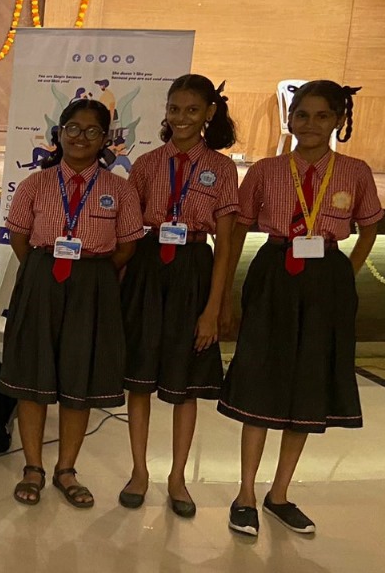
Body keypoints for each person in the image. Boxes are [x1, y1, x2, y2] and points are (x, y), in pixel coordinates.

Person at [218, 81, 380, 537]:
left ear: (338, 121)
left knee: (309, 380)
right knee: (260, 377)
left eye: (322, 116)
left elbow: (368, 227)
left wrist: (345, 271)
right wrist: (226, 291)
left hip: (326, 277)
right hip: (274, 272)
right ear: (290, 119)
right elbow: (238, 230)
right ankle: (245, 494)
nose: (310, 124)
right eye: (302, 115)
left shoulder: (355, 172)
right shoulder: (266, 170)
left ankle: (280, 494)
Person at [0, 99, 143, 509]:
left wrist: (91, 275)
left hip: (93, 284)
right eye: (73, 128)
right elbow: (20, 238)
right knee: (34, 376)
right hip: (42, 278)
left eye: (92, 131)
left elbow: (127, 246)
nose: (81, 137)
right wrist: (46, 269)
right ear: (59, 134)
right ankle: (33, 468)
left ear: (105, 139)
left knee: (80, 379)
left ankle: (66, 470)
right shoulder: (35, 185)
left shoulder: (119, 189)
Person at [118, 75, 240, 518]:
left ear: (209, 112)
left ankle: (177, 477)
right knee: (140, 379)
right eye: (174, 109)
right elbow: (128, 230)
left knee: (184, 381)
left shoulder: (222, 169)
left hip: (194, 268)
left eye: (192, 110)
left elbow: (225, 245)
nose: (182, 118)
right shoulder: (147, 164)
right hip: (148, 268)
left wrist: (214, 307)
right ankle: (138, 471)